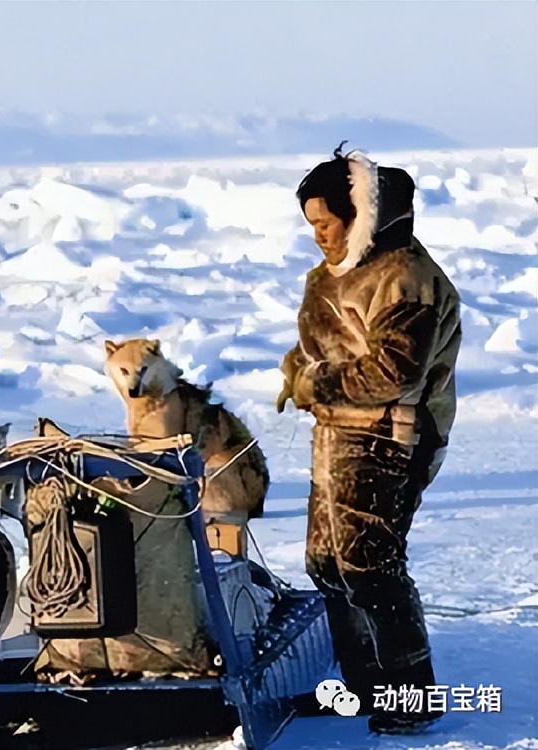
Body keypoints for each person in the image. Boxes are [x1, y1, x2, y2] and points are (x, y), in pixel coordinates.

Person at [277, 144, 462, 735]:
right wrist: (297, 369)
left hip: (390, 439)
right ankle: (363, 687)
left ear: (363, 219)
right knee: (327, 564)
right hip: (336, 434)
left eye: (327, 224)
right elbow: (320, 347)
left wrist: (315, 381)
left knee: (370, 567)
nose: (319, 238)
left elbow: (395, 373)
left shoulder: (408, 280)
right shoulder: (334, 276)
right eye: (313, 227)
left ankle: (410, 697)